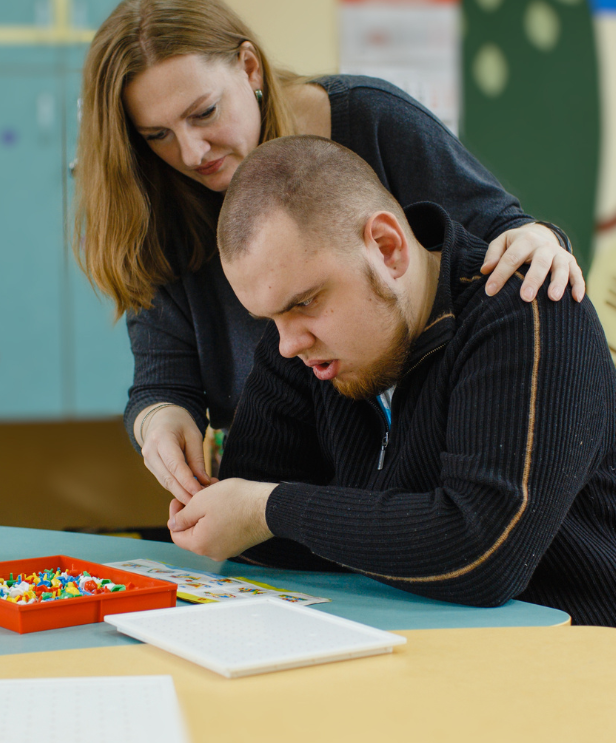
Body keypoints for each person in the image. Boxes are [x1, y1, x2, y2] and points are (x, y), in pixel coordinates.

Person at [75, 0, 585, 507]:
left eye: (204, 113)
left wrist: (541, 240)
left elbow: (501, 237)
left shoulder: (369, 118)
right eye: (157, 135)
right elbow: (162, 381)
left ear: (249, 67)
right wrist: (160, 420)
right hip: (284, 470)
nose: (192, 152)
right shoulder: (154, 201)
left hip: (429, 463)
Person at [165, 135, 616, 627]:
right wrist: (261, 513)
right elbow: (259, 543)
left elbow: (483, 556)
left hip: (572, 664)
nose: (287, 344)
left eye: (303, 303)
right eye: (268, 318)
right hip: (407, 650)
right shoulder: (299, 345)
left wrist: (268, 508)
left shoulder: (527, 309)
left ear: (387, 248)